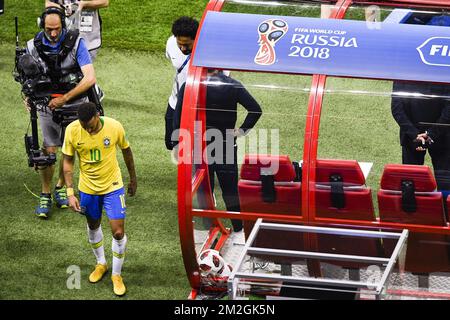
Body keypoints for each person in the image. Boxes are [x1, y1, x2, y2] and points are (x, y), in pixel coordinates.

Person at [174, 70, 263, 244]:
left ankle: (209, 228)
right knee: (230, 190)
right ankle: (239, 230)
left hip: (200, 143)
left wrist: (180, 141)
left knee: (203, 188)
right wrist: (240, 131)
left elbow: (177, 117)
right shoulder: (233, 85)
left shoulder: (190, 85)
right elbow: (255, 110)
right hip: (225, 143)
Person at [26, 7, 96, 218]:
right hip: (47, 104)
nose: (54, 33)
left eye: (57, 29)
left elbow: (89, 78)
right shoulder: (32, 46)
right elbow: (27, 79)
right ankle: (46, 193)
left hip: (74, 102)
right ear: (42, 25)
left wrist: (64, 99)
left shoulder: (77, 43)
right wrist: (28, 98)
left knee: (70, 148)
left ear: (63, 25)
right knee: (49, 150)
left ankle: (60, 187)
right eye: (49, 29)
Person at [62, 102, 137, 296]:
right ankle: (101, 263)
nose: (88, 129)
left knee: (118, 232)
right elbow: (68, 162)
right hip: (87, 189)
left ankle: (116, 274)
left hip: (113, 187)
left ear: (98, 115)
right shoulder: (72, 130)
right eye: (84, 126)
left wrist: (133, 179)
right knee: (93, 225)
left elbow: (126, 151)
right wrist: (70, 193)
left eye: (91, 126)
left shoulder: (114, 126)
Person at [391, 81, 450, 195]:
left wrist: (414, 134)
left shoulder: (403, 72)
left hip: (412, 138)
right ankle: (446, 210)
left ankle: (414, 211)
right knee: (445, 183)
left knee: (411, 184)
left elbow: (397, 109)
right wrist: (431, 134)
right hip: (441, 136)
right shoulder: (443, 71)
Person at [164, 16, 199, 150]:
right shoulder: (171, 43)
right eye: (180, 44)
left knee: (194, 146)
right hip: (175, 102)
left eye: (187, 45)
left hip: (197, 106)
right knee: (171, 143)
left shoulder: (209, 50)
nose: (183, 49)